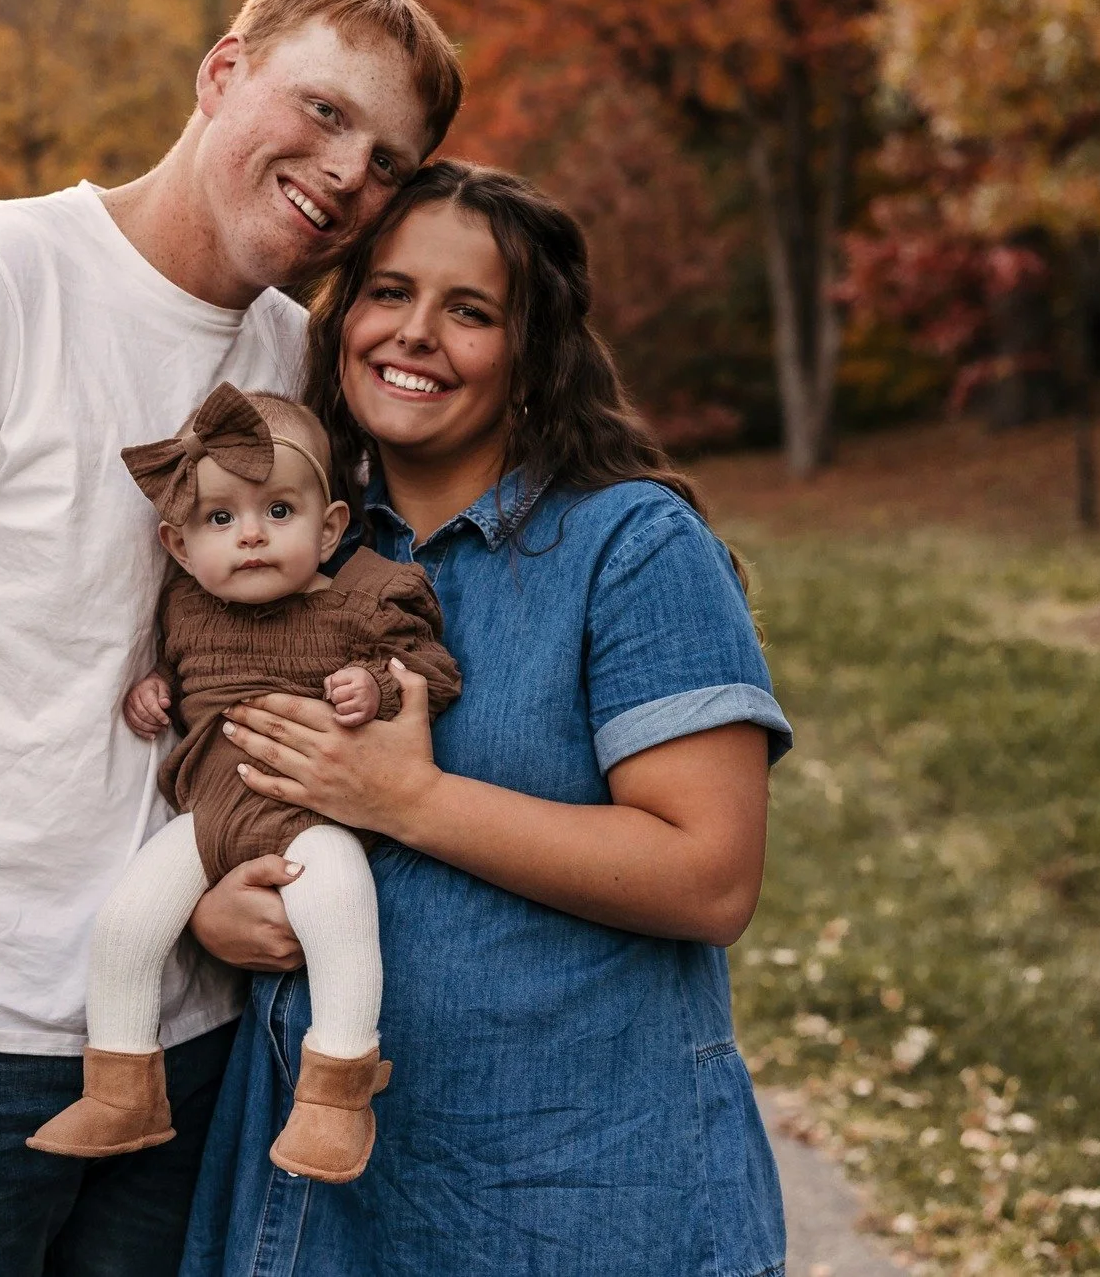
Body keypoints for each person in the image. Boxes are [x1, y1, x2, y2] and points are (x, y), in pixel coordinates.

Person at [0, 0, 460, 1275]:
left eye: (389, 161)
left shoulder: (296, 361)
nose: (348, 172)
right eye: (322, 108)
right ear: (222, 72)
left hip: (186, 1055)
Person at [180, 161, 795, 1276]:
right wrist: (215, 912)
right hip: (320, 1207)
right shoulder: (291, 549)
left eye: (469, 311)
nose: (414, 335)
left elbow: (709, 878)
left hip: (579, 1203)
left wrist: (407, 798)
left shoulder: (630, 548)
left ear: (530, 353)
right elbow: (229, 780)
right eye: (388, 293)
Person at [25, 383, 459, 1184]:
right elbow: (182, 675)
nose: (251, 536)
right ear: (181, 546)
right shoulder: (185, 608)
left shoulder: (364, 599)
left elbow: (434, 669)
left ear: (330, 526)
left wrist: (379, 685)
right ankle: (123, 1086)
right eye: (220, 519)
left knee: (338, 914)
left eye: (279, 513)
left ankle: (335, 1095)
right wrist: (153, 687)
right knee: (126, 921)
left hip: (314, 815)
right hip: (212, 815)